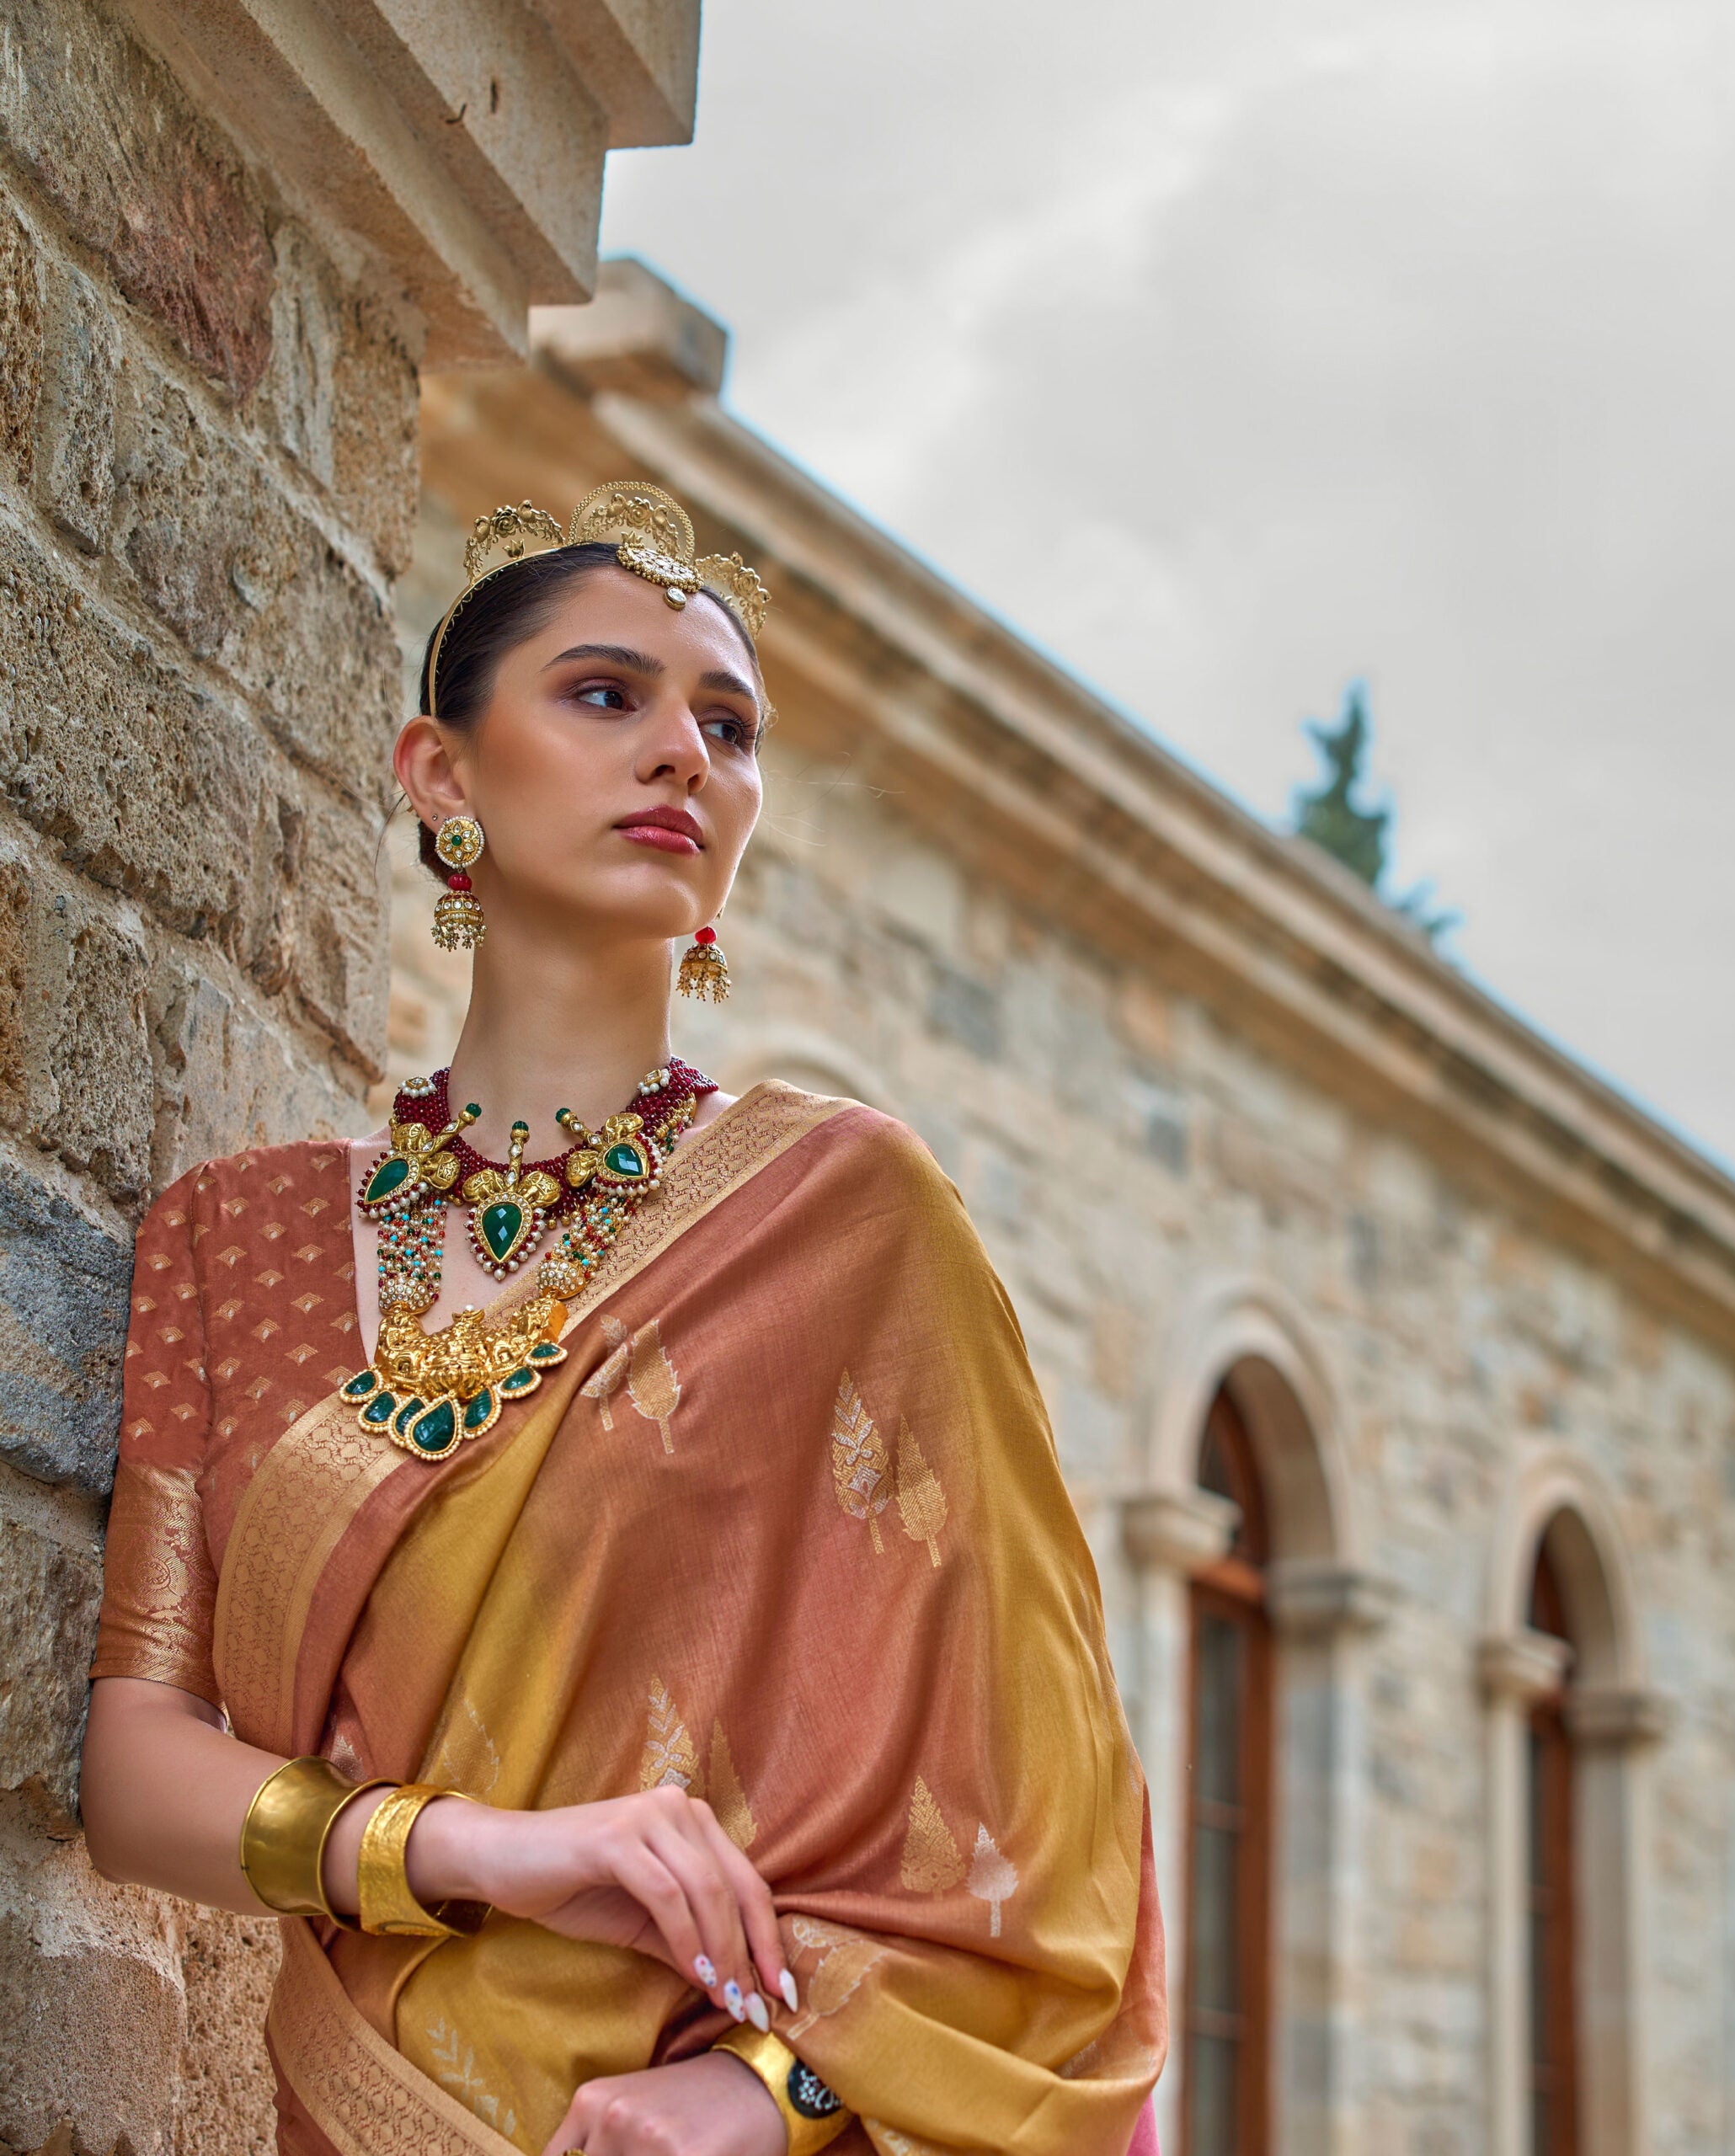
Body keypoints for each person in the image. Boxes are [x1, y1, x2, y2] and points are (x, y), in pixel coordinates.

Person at [80, 483, 1166, 2156]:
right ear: (440, 776)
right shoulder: (239, 1238)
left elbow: (1055, 1834)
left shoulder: (847, 1216)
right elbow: (137, 1769)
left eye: (727, 726)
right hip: (356, 2110)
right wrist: (477, 1846)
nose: (683, 752)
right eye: (607, 694)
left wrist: (774, 2084)